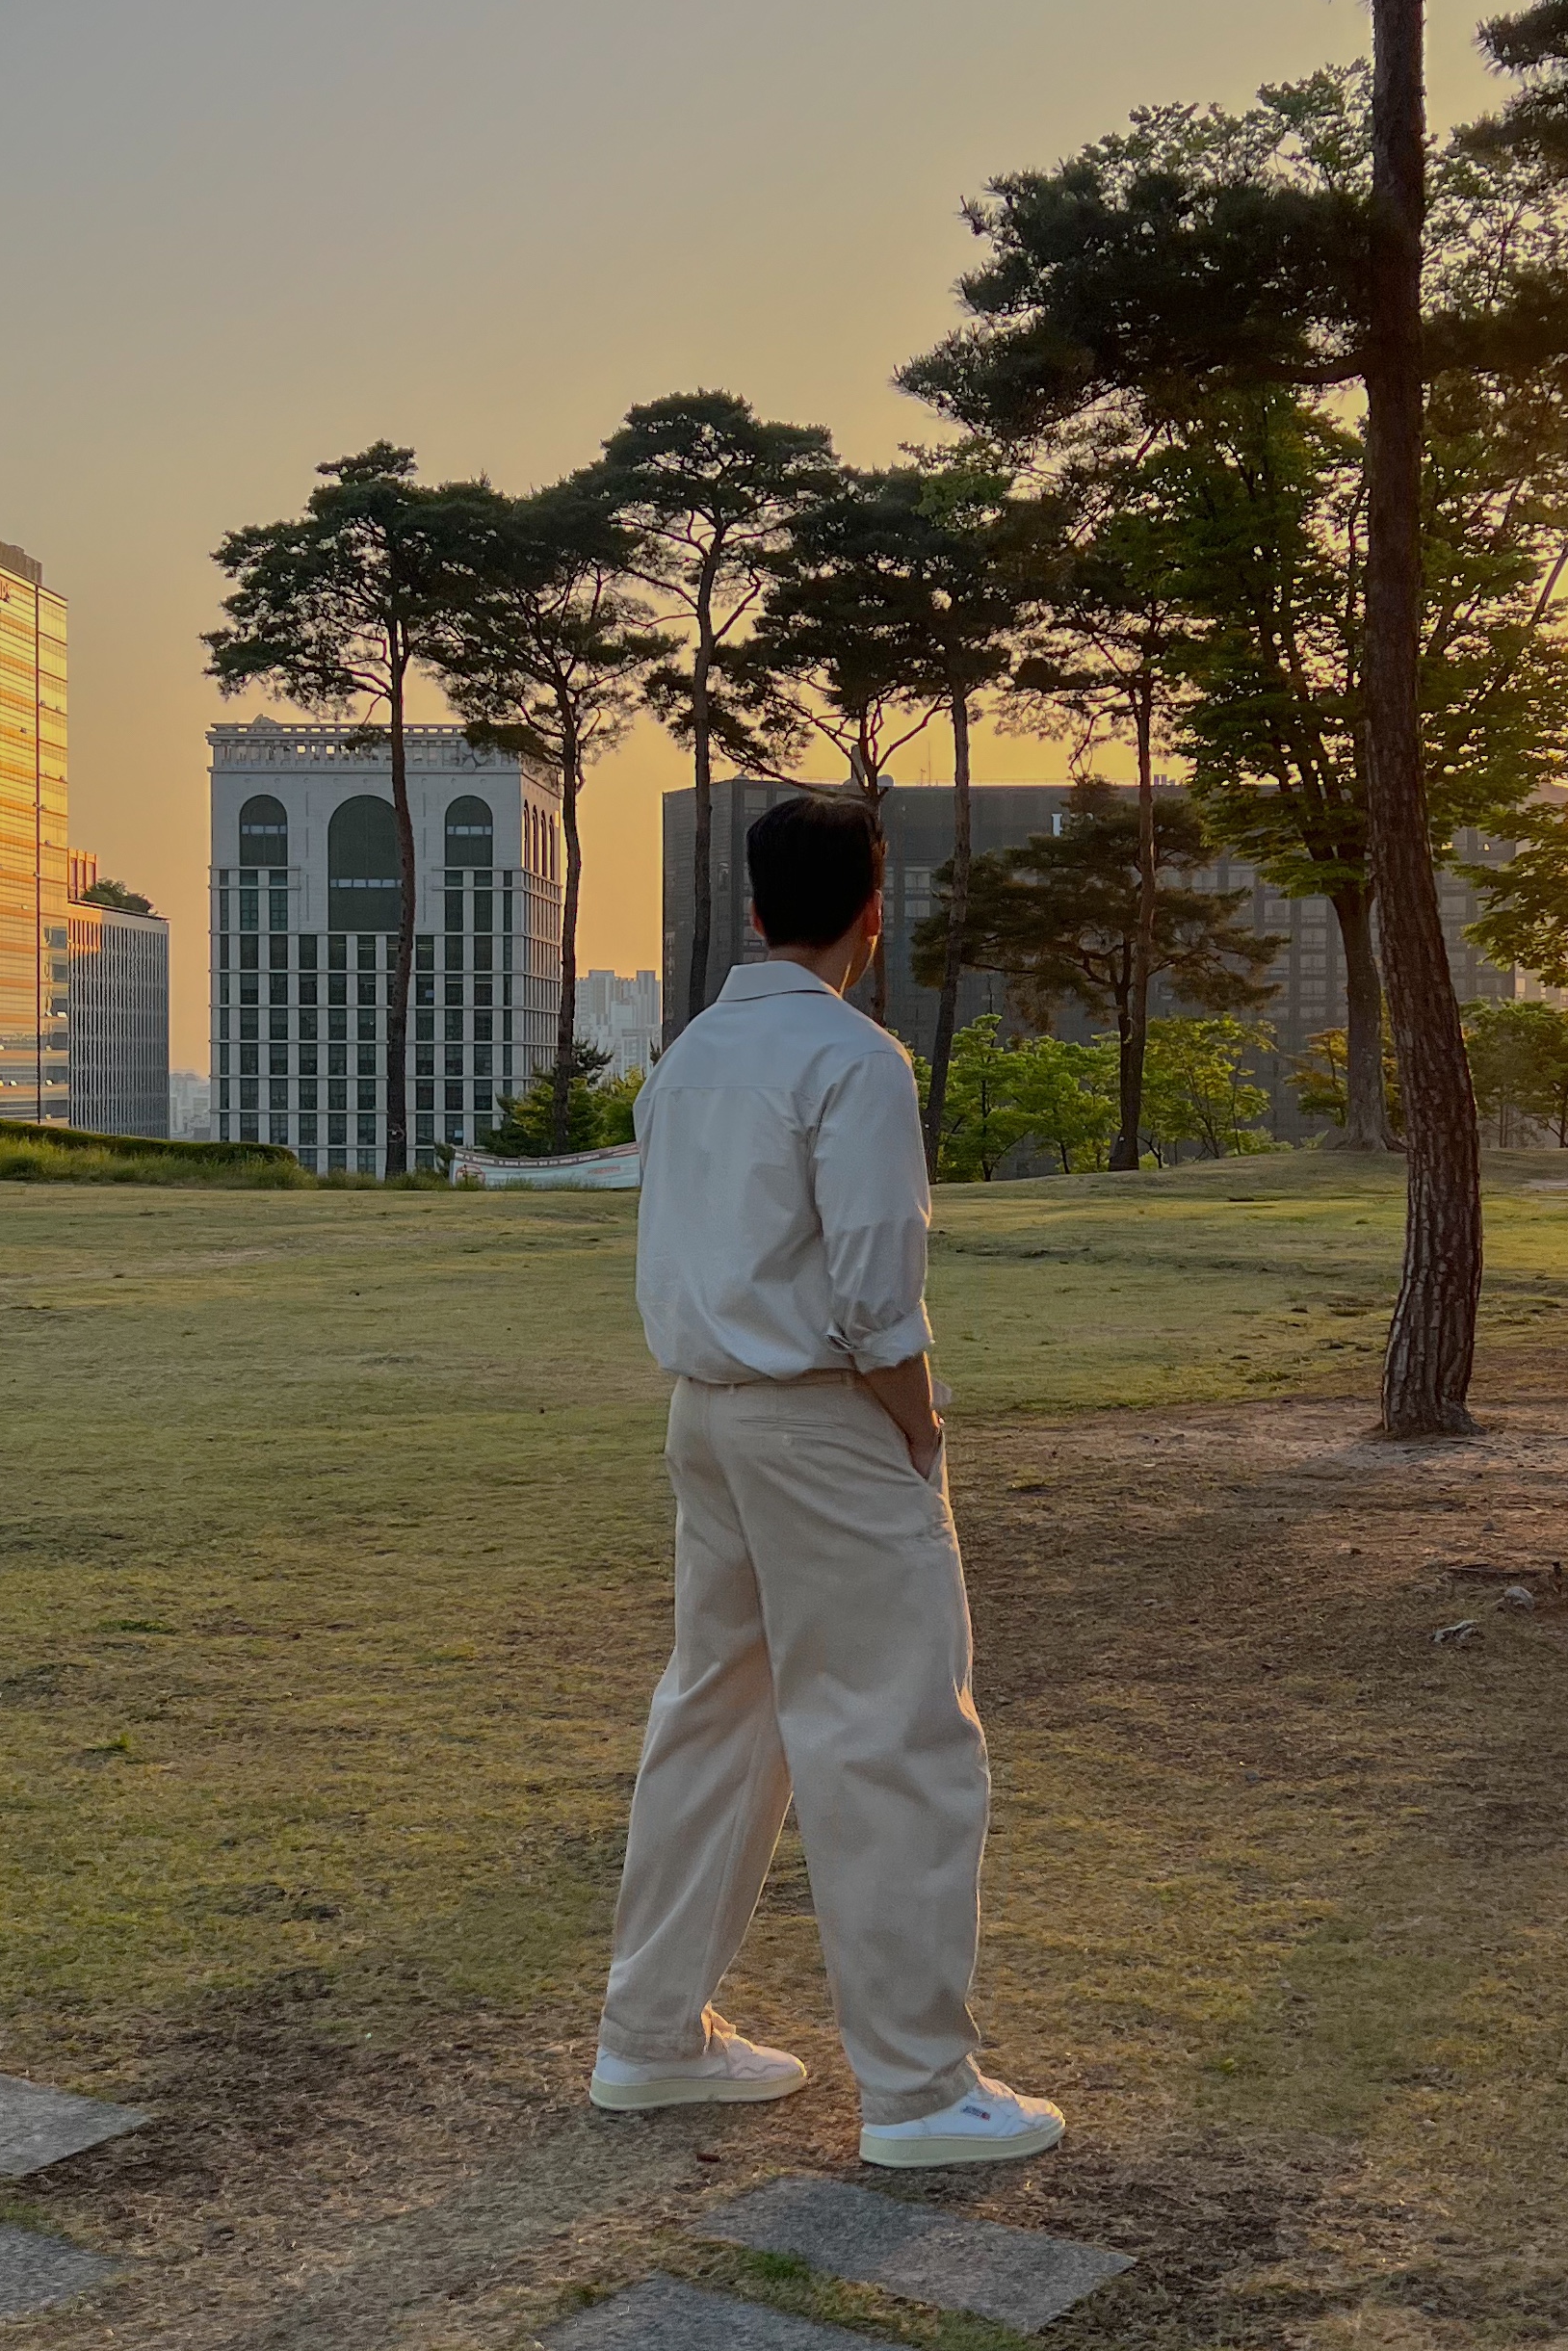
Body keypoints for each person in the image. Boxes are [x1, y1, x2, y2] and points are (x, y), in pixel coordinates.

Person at [587, 793, 1062, 2167]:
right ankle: (919, 2092)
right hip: (824, 1420)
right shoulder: (854, 1061)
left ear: (750, 909)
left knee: (718, 1716)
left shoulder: (688, 1058)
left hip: (709, 1417)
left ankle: (653, 2035)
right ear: (874, 909)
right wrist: (920, 1434)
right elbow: (876, 1293)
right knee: (896, 1734)